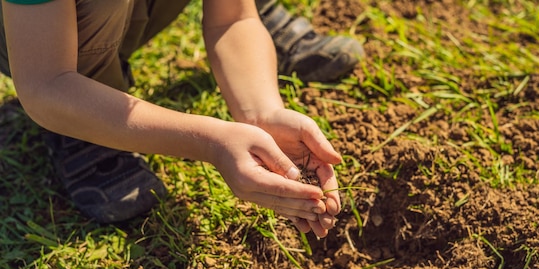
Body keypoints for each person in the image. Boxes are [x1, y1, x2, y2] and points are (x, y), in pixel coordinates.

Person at [0, 0, 365, 238]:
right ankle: (89, 114)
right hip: (31, 35)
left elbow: (232, 18)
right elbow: (46, 85)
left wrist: (261, 112)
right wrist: (210, 141)